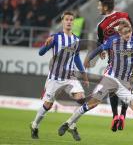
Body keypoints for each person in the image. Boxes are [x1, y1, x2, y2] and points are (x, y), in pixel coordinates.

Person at [58, 20, 133, 145]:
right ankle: (68, 123)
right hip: (110, 79)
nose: (128, 34)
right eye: (125, 32)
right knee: (92, 104)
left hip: (124, 83)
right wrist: (88, 59)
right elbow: (99, 48)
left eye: (130, 32)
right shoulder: (113, 41)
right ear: (120, 33)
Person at [30, 11, 89, 141]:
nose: (69, 21)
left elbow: (77, 58)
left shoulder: (76, 40)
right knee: (48, 106)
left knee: (81, 99)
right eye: (66, 19)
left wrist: (84, 75)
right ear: (62, 21)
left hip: (70, 77)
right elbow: (41, 53)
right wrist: (46, 45)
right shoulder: (55, 38)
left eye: (71, 19)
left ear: (73, 22)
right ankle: (34, 125)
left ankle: (71, 124)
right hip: (55, 78)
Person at [97, 0, 133, 132]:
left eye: (99, 5)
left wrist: (101, 51)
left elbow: (101, 43)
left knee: (112, 88)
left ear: (105, 7)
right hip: (130, 57)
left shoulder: (101, 25)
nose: (98, 8)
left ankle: (115, 116)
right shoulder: (125, 15)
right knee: (127, 86)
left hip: (114, 60)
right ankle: (123, 116)